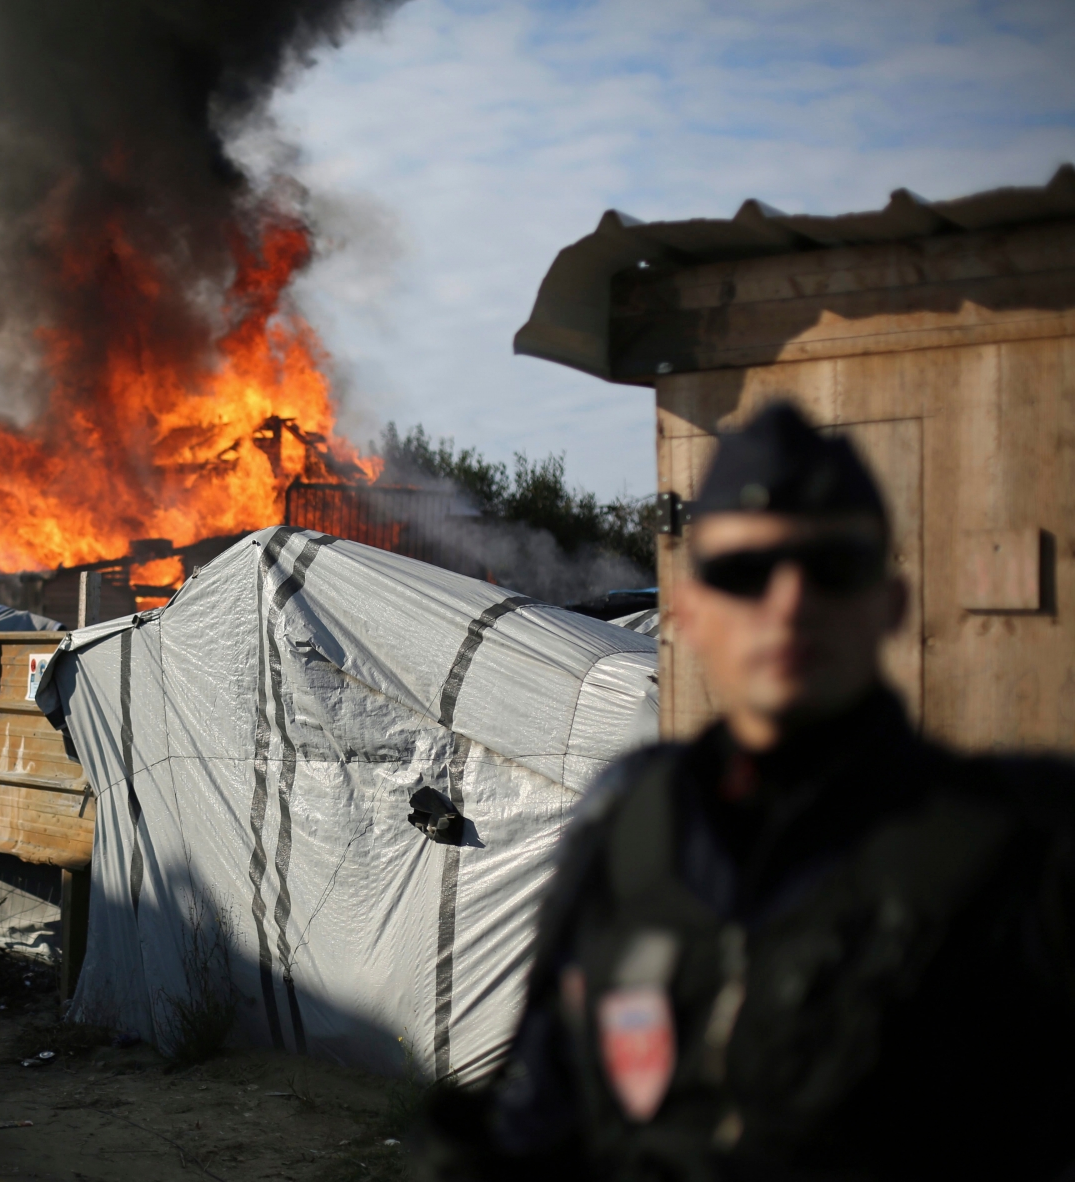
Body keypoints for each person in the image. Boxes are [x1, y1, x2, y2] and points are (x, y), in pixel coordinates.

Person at [430, 403, 1075, 1180]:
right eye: (745, 572)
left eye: (831, 567)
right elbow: (542, 1108)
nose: (789, 603)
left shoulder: (1020, 846)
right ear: (691, 613)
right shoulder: (630, 824)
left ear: (892, 604)